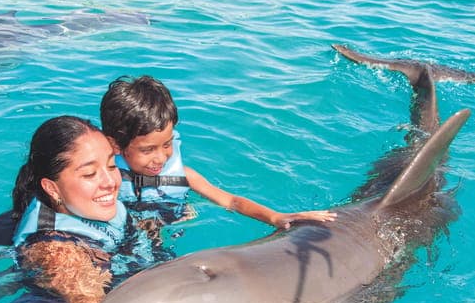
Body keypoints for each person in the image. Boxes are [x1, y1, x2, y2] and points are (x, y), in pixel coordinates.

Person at [99, 75, 337, 228]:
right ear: (116, 146)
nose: (161, 158)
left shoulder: (184, 177)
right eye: (148, 149)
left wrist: (275, 217)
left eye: (167, 144)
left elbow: (231, 201)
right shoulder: (107, 182)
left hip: (164, 233)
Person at [10, 115, 155, 303]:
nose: (110, 182)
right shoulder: (59, 255)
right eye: (89, 174)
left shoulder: (84, 205)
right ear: (52, 188)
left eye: (112, 166)